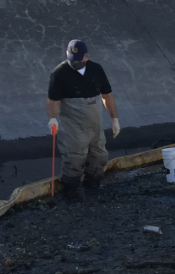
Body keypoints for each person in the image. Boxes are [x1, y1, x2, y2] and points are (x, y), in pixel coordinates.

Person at [47, 39, 120, 198]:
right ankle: (71, 193)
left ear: (86, 57)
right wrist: (52, 119)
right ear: (67, 54)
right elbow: (52, 100)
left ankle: (93, 187)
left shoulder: (96, 69)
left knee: (99, 156)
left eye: (79, 59)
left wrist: (114, 118)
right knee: (74, 159)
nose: (75, 63)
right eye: (71, 59)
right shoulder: (59, 73)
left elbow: (106, 95)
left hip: (95, 125)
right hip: (72, 126)